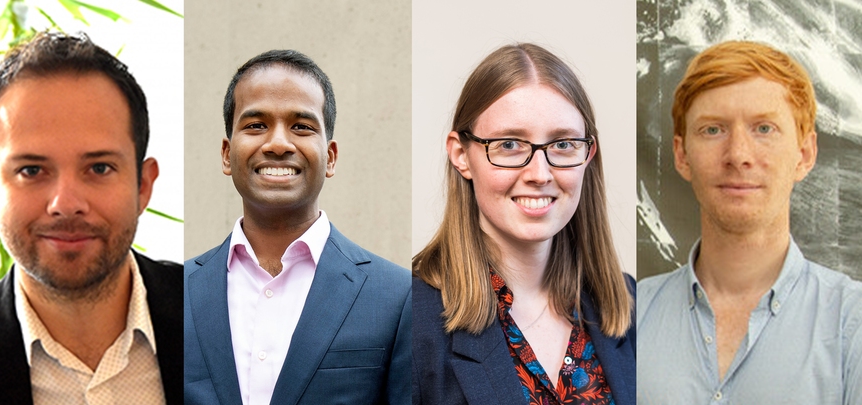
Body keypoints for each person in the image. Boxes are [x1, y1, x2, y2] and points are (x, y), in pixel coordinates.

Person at [0, 32, 183, 404]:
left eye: (98, 167)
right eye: (31, 170)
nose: (66, 203)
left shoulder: (239, 326)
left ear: (143, 185)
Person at [637, 41, 862, 403]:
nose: (739, 154)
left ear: (804, 155)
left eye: (764, 128)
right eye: (713, 130)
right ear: (682, 156)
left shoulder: (852, 323)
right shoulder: (626, 318)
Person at [183, 49, 411, 405]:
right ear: (227, 154)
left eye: (301, 127)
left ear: (330, 157)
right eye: (256, 125)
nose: (277, 144)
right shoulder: (173, 295)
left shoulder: (398, 298)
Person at [412, 43, 635, 405]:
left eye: (562, 144)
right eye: (510, 144)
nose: (539, 174)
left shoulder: (630, 305)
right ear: (460, 155)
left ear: (587, 155)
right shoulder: (409, 319)